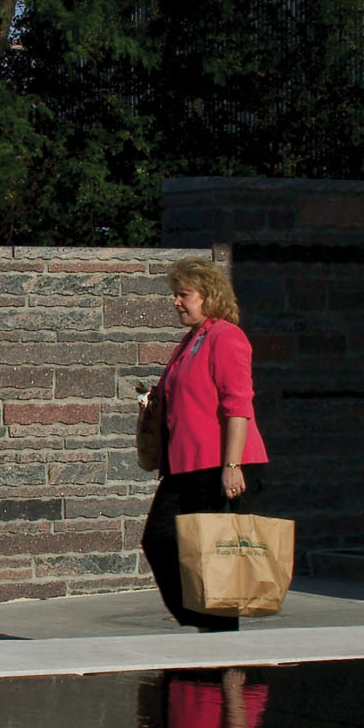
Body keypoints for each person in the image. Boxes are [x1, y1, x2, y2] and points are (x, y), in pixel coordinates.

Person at [140, 257, 269, 632]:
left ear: (209, 296)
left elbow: (238, 404)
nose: (176, 302)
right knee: (160, 541)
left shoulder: (226, 336)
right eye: (174, 295)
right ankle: (200, 622)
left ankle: (223, 647)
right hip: (184, 466)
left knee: (218, 560)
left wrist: (232, 466)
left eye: (184, 295)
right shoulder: (190, 340)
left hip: (219, 465)